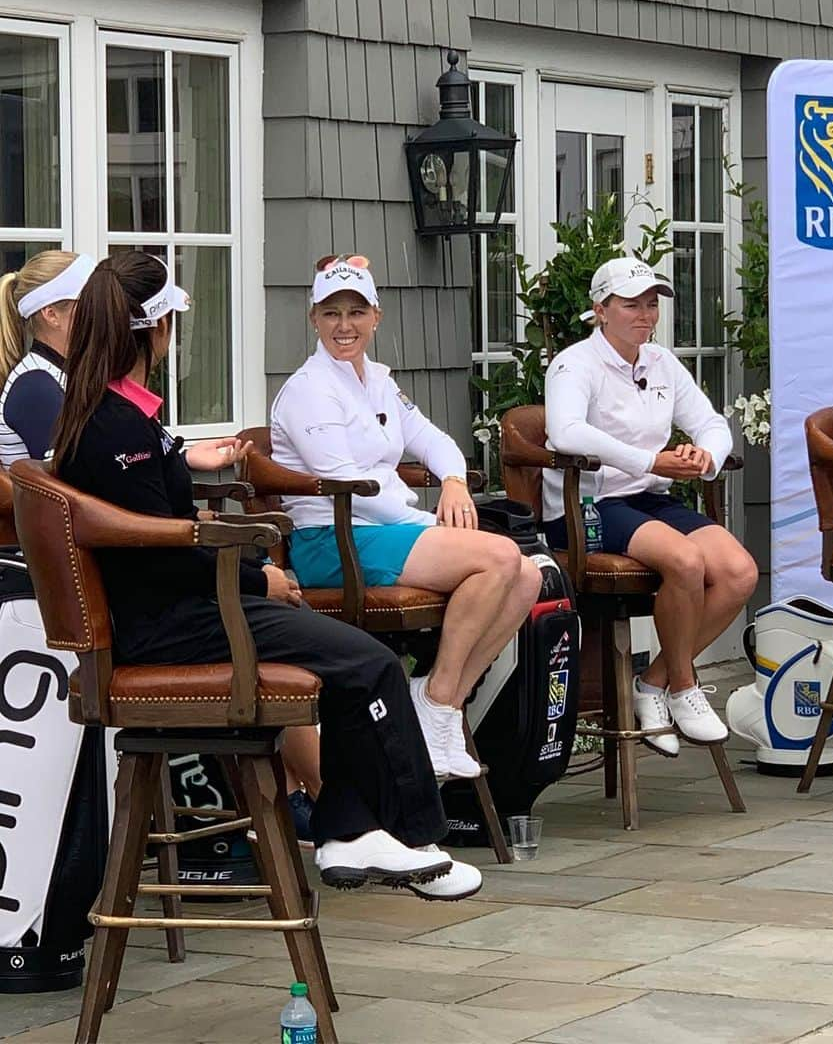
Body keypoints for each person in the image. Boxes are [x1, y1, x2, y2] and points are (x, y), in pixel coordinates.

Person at [51, 250, 480, 900]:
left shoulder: (115, 416)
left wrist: (187, 463)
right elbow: (163, 548)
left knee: (348, 666)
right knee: (371, 665)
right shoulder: (117, 430)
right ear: (158, 329)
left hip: (173, 611)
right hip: (173, 626)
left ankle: (350, 831)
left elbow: (155, 508)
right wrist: (259, 580)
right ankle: (413, 838)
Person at [0, 250, 320, 841]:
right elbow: (96, 487)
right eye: (86, 310)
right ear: (49, 318)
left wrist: (180, 462)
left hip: (113, 569)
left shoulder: (72, 387)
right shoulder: (43, 389)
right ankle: (310, 804)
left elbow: (123, 476)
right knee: (270, 625)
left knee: (268, 622)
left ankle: (292, 800)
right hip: (64, 585)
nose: (102, 321)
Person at [271, 254, 542, 780]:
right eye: (331, 314)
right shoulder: (309, 389)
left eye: (355, 312)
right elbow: (350, 483)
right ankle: (439, 698)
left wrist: (456, 481)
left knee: (527, 576)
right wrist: (427, 522)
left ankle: (441, 701)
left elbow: (434, 441)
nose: (343, 326)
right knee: (499, 558)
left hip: (386, 529)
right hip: (334, 539)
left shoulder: (378, 382)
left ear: (376, 316)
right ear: (313, 320)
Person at [542, 256, 758, 757]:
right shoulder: (574, 364)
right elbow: (565, 432)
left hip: (648, 496)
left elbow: (712, 424)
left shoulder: (662, 363)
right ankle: (683, 685)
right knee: (685, 561)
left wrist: (705, 458)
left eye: (651, 303)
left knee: (739, 571)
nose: (645, 313)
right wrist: (651, 459)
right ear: (601, 309)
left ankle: (654, 681)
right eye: (630, 304)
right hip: (589, 506)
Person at [0, 250, 93, 467]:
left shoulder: (54, 374)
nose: (103, 309)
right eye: (90, 301)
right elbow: (81, 476)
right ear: (51, 315)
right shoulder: (35, 387)